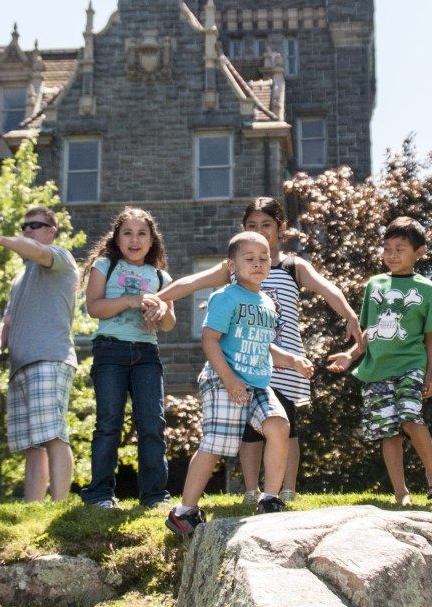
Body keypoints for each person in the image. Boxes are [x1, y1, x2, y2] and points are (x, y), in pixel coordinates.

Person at [153, 197, 361, 505]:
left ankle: (283, 490)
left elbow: (328, 288)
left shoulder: (292, 266)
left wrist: (350, 316)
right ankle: (251, 490)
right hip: (239, 359)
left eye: (266, 225)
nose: (260, 231)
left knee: (284, 423)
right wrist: (157, 298)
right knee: (248, 431)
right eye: (252, 226)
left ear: (281, 228)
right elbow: (192, 283)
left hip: (281, 356)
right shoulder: (234, 269)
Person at [165, 231, 314, 537]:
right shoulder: (225, 297)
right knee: (215, 444)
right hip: (223, 379)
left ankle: (269, 500)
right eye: (249, 259)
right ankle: (184, 512)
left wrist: (292, 360)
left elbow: (264, 346)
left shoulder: (267, 303)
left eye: (264, 258)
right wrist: (229, 379)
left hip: (257, 383)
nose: (258, 263)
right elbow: (210, 340)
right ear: (231, 265)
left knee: (279, 426)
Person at [326, 216, 432, 506]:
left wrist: (429, 374)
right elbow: (370, 330)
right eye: (387, 249)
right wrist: (349, 355)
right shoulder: (375, 285)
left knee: (410, 416)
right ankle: (401, 493)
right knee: (388, 432)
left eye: (400, 249)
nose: (392, 255)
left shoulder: (427, 290)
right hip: (376, 371)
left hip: (411, 365)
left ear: (419, 252)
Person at [78, 208, 176, 509]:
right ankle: (100, 495)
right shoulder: (104, 266)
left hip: (147, 355)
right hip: (110, 351)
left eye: (142, 233)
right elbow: (94, 308)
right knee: (109, 422)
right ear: (117, 239)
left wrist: (161, 309)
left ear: (152, 241)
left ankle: (154, 496)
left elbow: (169, 324)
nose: (135, 240)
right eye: (128, 233)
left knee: (152, 424)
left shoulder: (161, 277)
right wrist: (132, 300)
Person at [0, 206, 79, 503]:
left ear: (51, 231)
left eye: (35, 225)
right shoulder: (20, 277)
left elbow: (35, 250)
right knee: (32, 446)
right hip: (19, 366)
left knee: (53, 436)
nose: (27, 230)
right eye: (24, 226)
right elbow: (7, 320)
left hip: (49, 358)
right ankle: (33, 509)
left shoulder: (59, 257)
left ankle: (59, 505)